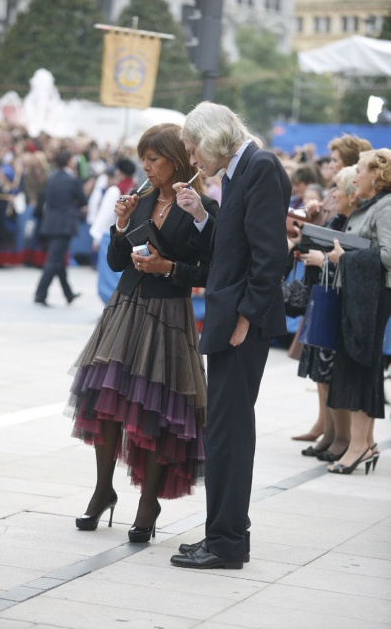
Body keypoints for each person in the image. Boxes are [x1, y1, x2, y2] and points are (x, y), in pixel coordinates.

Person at [67, 123, 218, 541]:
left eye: (153, 159)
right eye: (144, 159)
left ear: (176, 159)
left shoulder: (199, 207)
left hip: (168, 315)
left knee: (155, 410)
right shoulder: (141, 199)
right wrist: (120, 226)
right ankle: (102, 491)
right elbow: (118, 262)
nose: (146, 167)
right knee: (106, 403)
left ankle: (148, 502)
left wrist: (168, 267)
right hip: (125, 308)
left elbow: (210, 269)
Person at [170, 102, 291, 570]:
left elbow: (269, 256)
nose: (193, 160)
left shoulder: (258, 167)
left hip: (241, 325)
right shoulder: (242, 168)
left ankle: (226, 543)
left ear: (215, 137)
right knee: (221, 433)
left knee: (230, 435)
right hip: (229, 319)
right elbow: (232, 246)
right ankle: (218, 535)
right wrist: (202, 213)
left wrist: (243, 319)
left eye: (194, 148)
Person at [326, 148, 391, 474]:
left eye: (361, 170)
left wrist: (346, 258)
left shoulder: (386, 206)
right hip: (360, 295)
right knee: (357, 365)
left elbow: (390, 255)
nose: (356, 176)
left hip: (374, 297)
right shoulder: (373, 205)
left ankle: (360, 445)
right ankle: (363, 444)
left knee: (363, 366)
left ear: (377, 176)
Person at [297, 165, 358, 461]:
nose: (332, 193)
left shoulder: (355, 221)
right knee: (322, 374)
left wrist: (325, 261)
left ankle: (342, 437)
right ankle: (331, 433)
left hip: (341, 302)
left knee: (332, 373)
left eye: (337, 188)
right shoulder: (338, 217)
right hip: (326, 298)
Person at [34, 149, 87, 306]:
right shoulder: (72, 180)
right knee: (53, 259)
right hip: (64, 224)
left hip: (50, 222)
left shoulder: (52, 178)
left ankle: (68, 293)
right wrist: (73, 205)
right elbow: (83, 200)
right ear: (69, 162)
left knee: (58, 259)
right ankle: (40, 294)